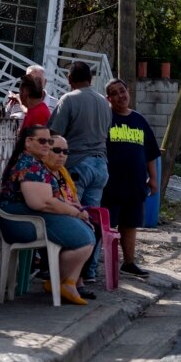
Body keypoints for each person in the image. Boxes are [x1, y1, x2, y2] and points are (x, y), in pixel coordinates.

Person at [0, 125, 96, 306]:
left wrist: (72, 208)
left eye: (49, 141)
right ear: (28, 142)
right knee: (83, 238)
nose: (48, 146)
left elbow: (49, 200)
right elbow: (42, 203)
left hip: (34, 218)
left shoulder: (36, 163)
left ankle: (67, 283)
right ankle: (63, 282)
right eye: (42, 141)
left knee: (88, 232)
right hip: (23, 223)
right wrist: (73, 212)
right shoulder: (29, 165)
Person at [48, 61, 112, 281]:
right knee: (93, 217)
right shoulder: (104, 103)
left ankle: (72, 273)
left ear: (69, 79)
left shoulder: (69, 100)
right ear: (91, 79)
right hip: (100, 165)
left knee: (74, 215)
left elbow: (55, 133)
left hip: (77, 165)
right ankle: (90, 270)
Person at [104, 78, 161, 279]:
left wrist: (153, 179)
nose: (121, 95)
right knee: (107, 226)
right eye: (115, 93)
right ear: (108, 98)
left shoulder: (139, 120)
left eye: (123, 90)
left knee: (130, 224)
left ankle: (128, 263)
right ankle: (102, 265)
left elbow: (151, 153)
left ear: (128, 91)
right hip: (111, 185)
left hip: (135, 184)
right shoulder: (106, 119)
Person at [41, 132, 99, 301]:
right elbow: (50, 202)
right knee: (85, 234)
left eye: (65, 152)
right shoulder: (41, 172)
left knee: (94, 228)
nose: (61, 155)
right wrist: (75, 212)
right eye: (57, 150)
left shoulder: (63, 173)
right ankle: (62, 281)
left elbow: (73, 198)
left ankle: (74, 282)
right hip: (51, 218)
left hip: (67, 213)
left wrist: (80, 210)